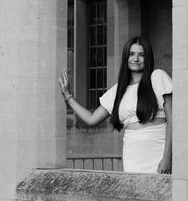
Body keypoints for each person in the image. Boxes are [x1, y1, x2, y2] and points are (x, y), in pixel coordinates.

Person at [59, 36, 172, 174]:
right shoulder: (118, 90)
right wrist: (68, 96)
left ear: (148, 58)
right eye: (131, 54)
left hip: (158, 152)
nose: (135, 59)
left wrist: (167, 158)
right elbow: (91, 119)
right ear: (125, 57)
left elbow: (174, 122)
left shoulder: (158, 77)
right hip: (133, 156)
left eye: (141, 55)